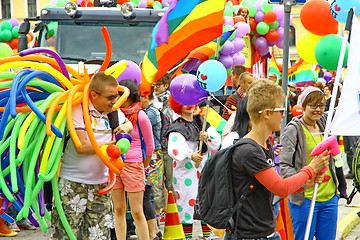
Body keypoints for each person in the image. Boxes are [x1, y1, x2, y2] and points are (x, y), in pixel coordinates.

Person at [226, 80, 329, 239]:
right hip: (249, 235)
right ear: (267, 113)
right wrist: (311, 169)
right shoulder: (248, 151)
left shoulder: (264, 144)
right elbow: (281, 187)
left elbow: (271, 189)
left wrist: (302, 184)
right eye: (281, 110)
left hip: (264, 231)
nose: (283, 115)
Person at [51, 72, 133, 240]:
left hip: (101, 187)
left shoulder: (113, 112)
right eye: (110, 97)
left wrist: (127, 127)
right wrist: (112, 145)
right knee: (67, 235)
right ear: (94, 95)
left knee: (99, 237)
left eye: (116, 97)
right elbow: (82, 146)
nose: (114, 101)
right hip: (73, 185)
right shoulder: (78, 109)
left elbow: (129, 123)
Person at [280, 86, 347, 240]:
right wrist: (304, 180)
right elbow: (284, 166)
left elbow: (343, 110)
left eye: (321, 105)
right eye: (313, 106)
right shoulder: (293, 130)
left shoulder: (325, 123)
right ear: (303, 106)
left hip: (329, 197)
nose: (318, 110)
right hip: (305, 199)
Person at [166, 96, 221, 239]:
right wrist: (190, 155)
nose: (189, 106)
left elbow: (216, 142)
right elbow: (174, 148)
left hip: (203, 171)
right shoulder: (177, 127)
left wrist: (207, 136)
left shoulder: (202, 123)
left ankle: (206, 236)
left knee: (205, 202)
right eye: (184, 103)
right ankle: (188, 237)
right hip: (185, 174)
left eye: (191, 103)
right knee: (186, 204)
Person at [112, 79, 155, 240]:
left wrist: (141, 165)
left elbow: (150, 146)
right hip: (115, 163)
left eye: (121, 95)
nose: (117, 99)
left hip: (134, 163)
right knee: (118, 209)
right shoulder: (113, 113)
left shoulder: (140, 115)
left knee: (137, 211)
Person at [151, 73, 178, 222]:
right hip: (157, 147)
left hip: (169, 146)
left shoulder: (172, 101)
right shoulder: (152, 101)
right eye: (155, 85)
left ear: (166, 85)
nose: (156, 88)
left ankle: (174, 213)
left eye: (159, 85)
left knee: (171, 181)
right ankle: (158, 213)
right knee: (157, 183)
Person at [140, 92, 163, 239]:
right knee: (148, 195)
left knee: (146, 194)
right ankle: (154, 229)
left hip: (152, 155)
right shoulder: (149, 111)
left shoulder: (151, 113)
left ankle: (152, 232)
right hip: (152, 154)